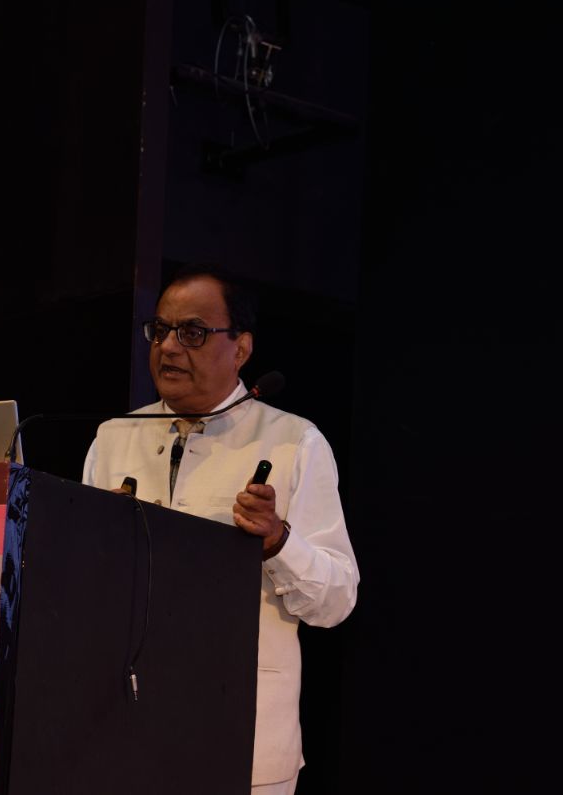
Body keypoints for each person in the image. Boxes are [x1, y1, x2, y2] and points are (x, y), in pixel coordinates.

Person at [82, 265, 359, 794]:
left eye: (192, 332)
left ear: (242, 348)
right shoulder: (113, 438)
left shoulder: (294, 442)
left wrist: (278, 541)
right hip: (128, 733)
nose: (169, 347)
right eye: (160, 331)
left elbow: (337, 600)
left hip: (243, 737)